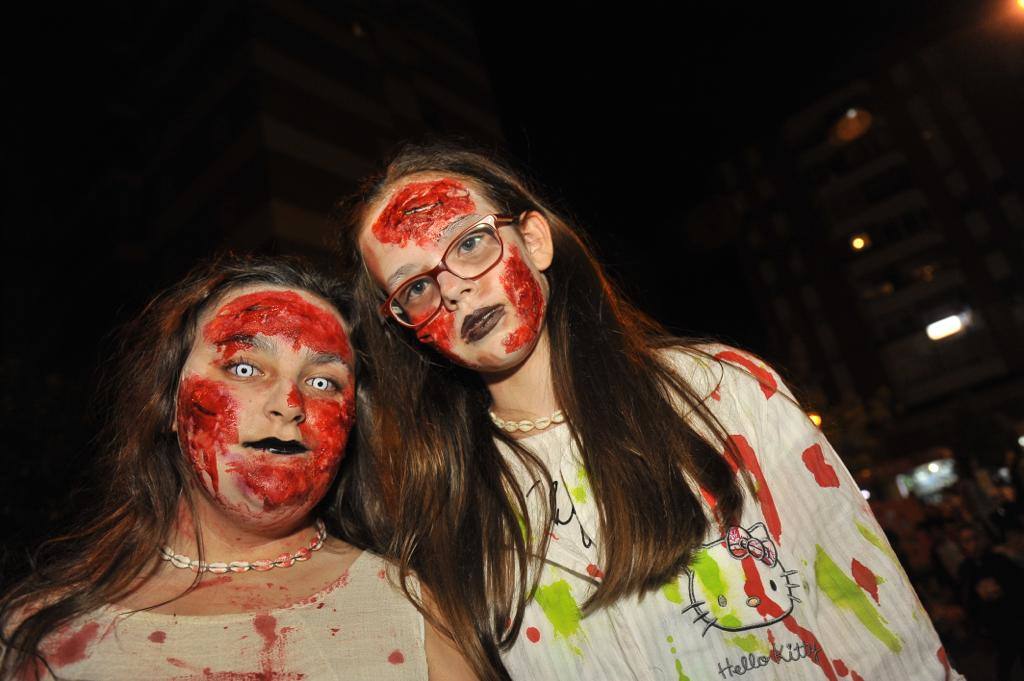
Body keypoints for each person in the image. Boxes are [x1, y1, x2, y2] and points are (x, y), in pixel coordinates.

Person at [334, 140, 964, 680]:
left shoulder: (722, 394)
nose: (454, 288)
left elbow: (881, 634)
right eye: (416, 286)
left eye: (469, 244)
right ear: (404, 325)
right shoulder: (445, 509)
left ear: (533, 240)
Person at [0, 255, 474, 680]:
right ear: (168, 401)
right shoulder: (42, 631)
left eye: (323, 381)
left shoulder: (408, 608)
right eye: (245, 368)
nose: (290, 404)